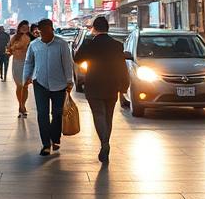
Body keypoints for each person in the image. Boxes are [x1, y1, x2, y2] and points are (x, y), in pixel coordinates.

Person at [73, 16, 129, 163]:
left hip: (94, 84)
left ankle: (104, 144)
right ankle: (105, 142)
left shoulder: (90, 44)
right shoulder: (117, 45)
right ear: (108, 28)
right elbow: (121, 66)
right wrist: (124, 84)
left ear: (94, 29)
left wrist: (85, 45)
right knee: (108, 116)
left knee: (98, 114)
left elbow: (77, 59)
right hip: (112, 84)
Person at [23, 19, 75, 156]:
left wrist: (69, 81)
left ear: (52, 29)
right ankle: (46, 144)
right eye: (41, 32)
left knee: (57, 113)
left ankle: (55, 138)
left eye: (46, 31)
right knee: (42, 114)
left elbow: (67, 63)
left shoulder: (61, 44)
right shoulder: (34, 45)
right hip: (39, 83)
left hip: (59, 84)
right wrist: (26, 77)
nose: (44, 34)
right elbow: (29, 62)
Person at [7, 20, 34, 117]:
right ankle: (20, 105)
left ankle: (23, 105)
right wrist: (10, 50)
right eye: (23, 27)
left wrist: (13, 47)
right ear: (19, 27)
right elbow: (9, 47)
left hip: (27, 63)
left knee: (25, 85)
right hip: (16, 63)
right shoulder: (14, 37)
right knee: (19, 85)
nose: (25, 28)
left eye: (26, 27)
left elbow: (20, 46)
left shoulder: (29, 37)